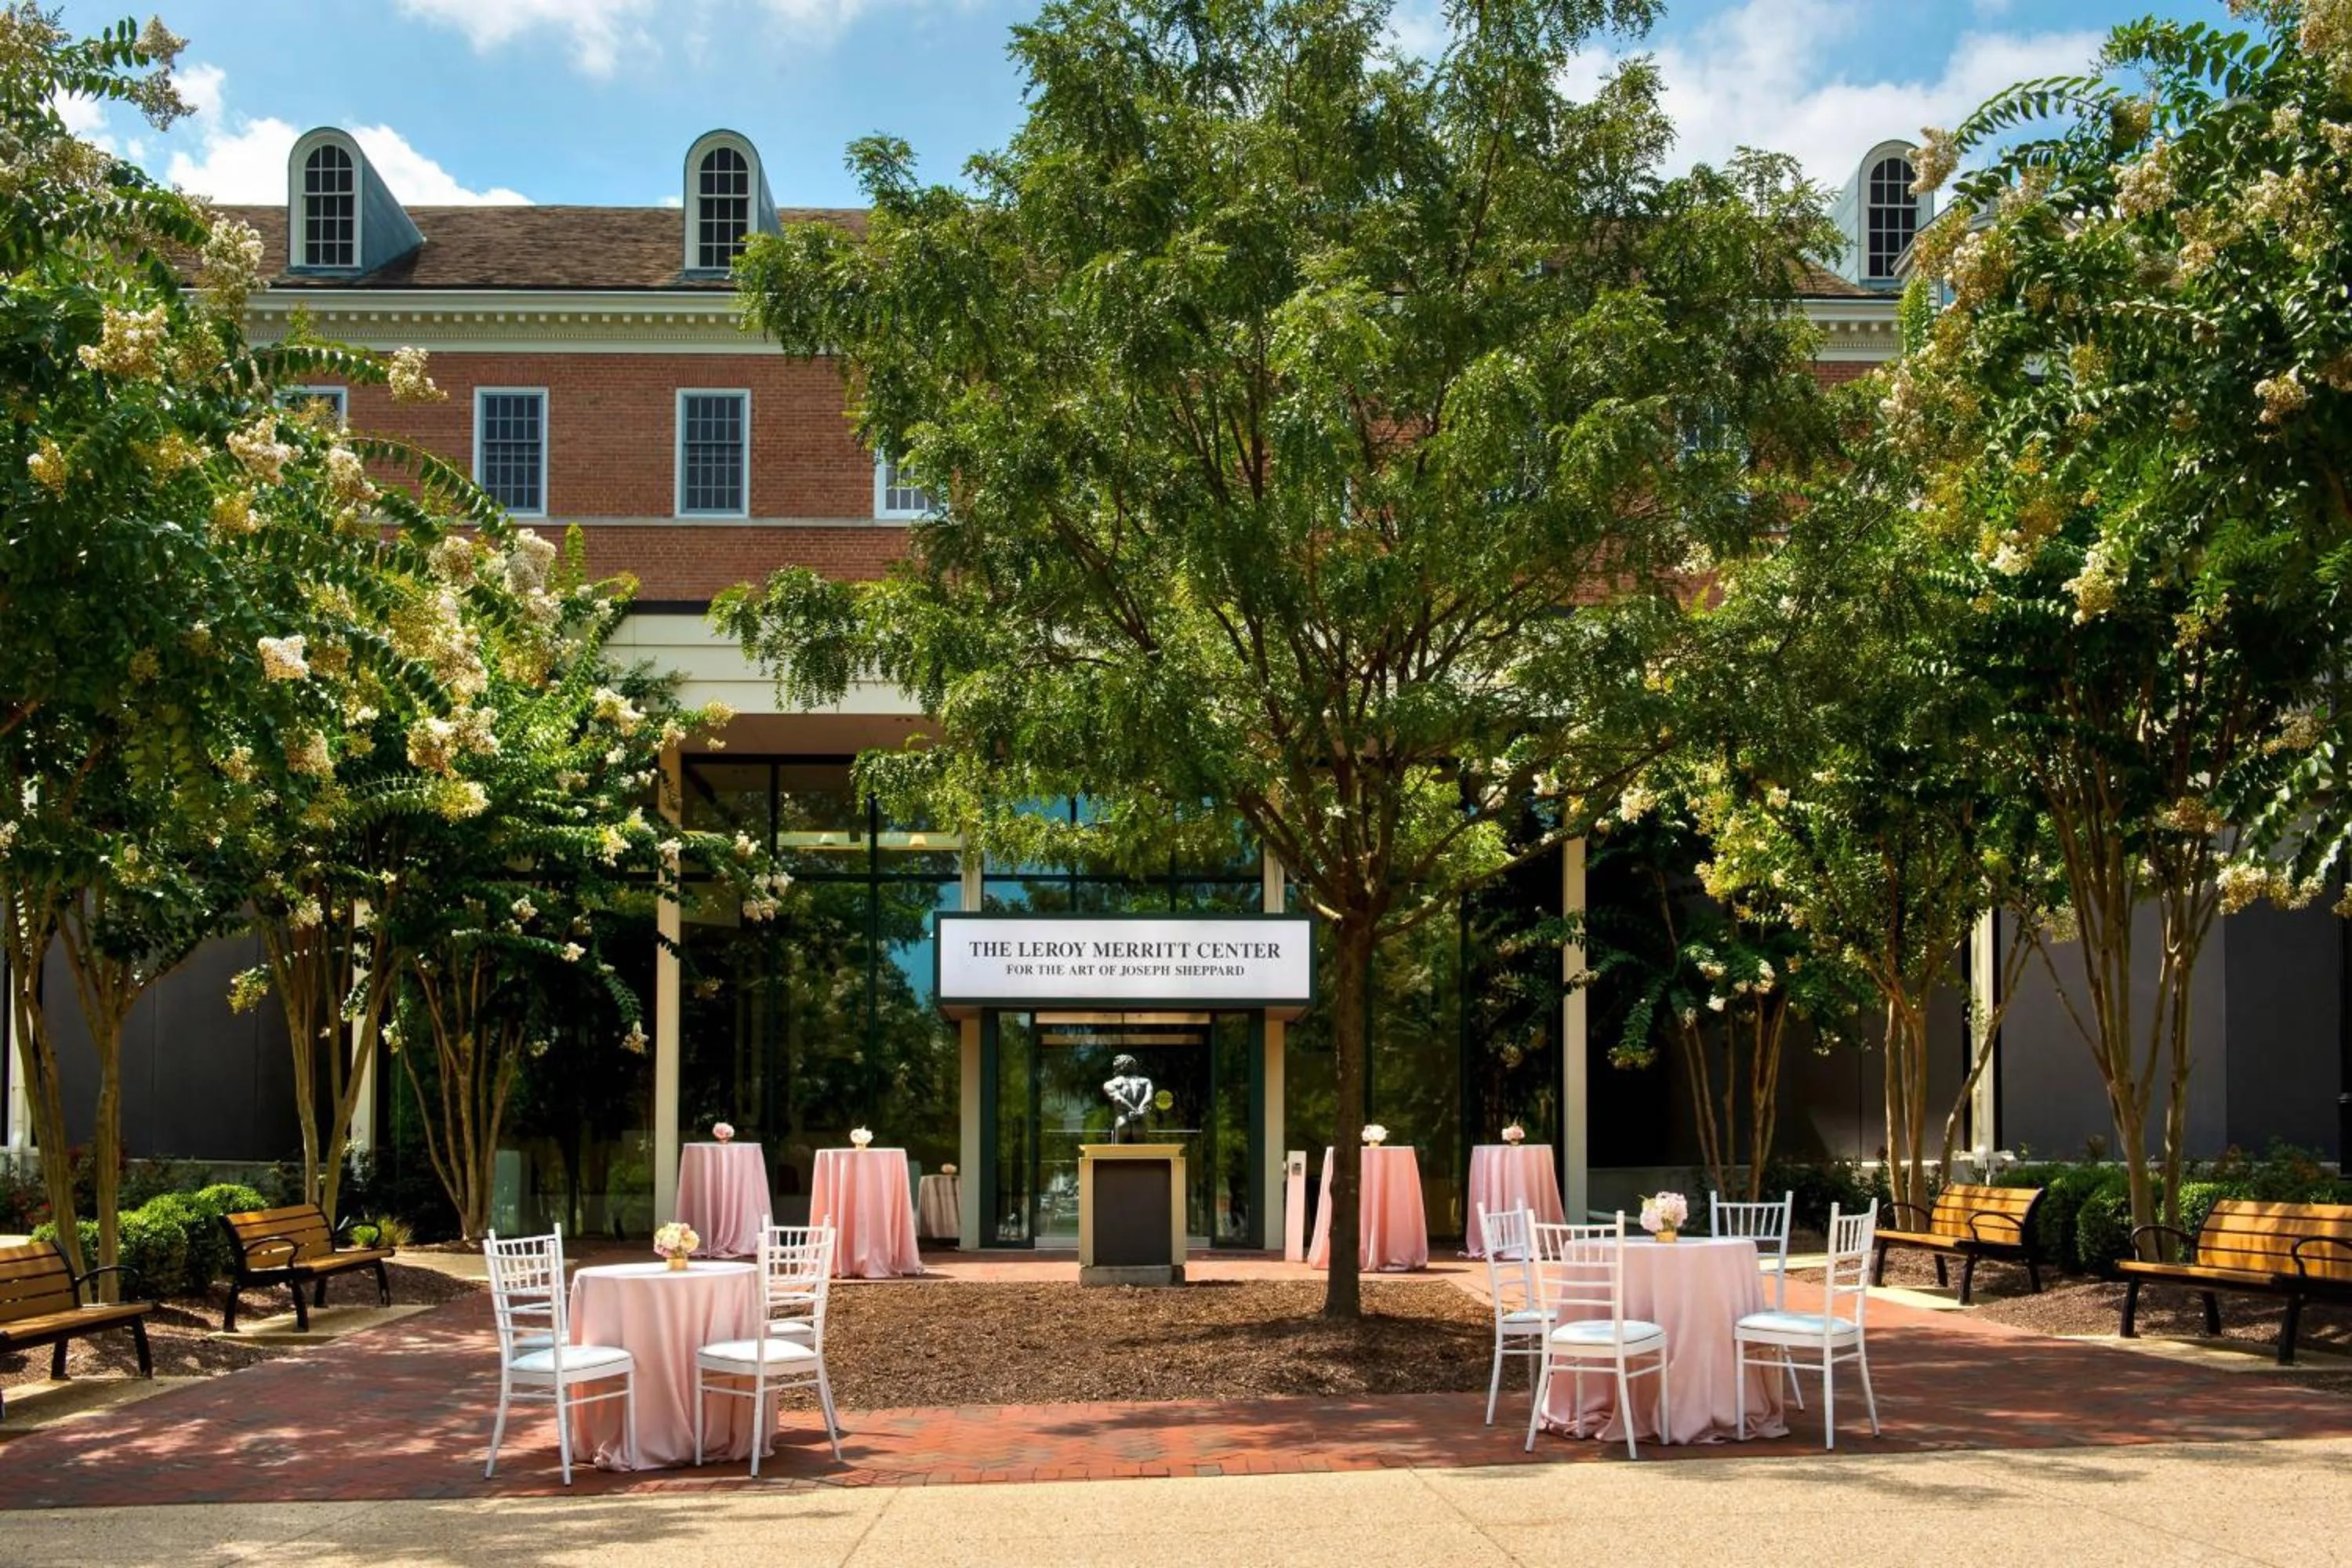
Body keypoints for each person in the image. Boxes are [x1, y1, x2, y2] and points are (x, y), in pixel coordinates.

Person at [1102, 1054, 1154, 1142]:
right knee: (1143, 1154)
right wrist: (1139, 1111)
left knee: (1118, 1154)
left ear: (1117, 1068)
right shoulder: (1145, 1081)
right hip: (1140, 1121)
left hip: (1123, 1120)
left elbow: (1118, 1099)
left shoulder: (1110, 1084)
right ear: (1134, 1066)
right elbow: (1148, 1097)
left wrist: (1133, 1110)